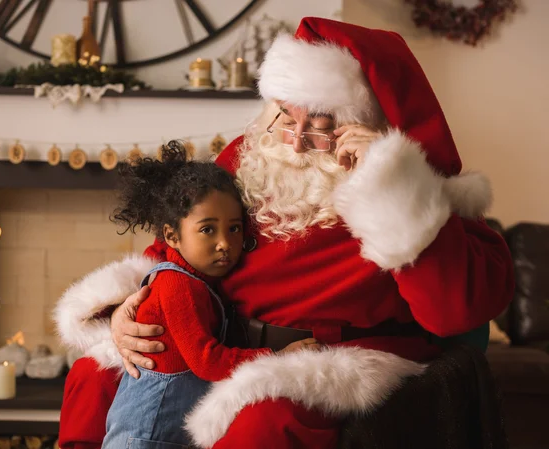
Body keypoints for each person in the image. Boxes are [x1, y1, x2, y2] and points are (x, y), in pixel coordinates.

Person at [55, 17, 514, 449]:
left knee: (261, 421)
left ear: (367, 127)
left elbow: (455, 312)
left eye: (319, 128)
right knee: (94, 379)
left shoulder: (415, 190)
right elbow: (173, 249)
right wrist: (122, 313)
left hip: (323, 359)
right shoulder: (247, 156)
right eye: (285, 118)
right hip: (220, 342)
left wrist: (390, 183)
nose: (293, 143)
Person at [100, 142, 317, 448]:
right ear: (172, 236)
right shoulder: (176, 285)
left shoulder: (202, 281)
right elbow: (207, 361)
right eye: (207, 230)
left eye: (234, 229)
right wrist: (279, 358)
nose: (224, 243)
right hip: (145, 437)